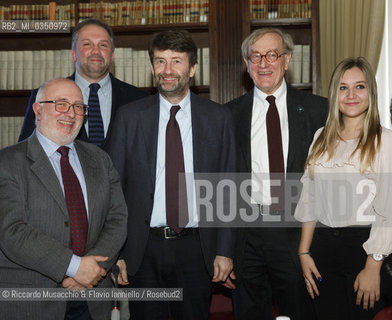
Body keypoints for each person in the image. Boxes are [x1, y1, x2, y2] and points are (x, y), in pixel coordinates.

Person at [106, 30, 236, 320]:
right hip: (142, 249)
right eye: (160, 61)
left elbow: (227, 188)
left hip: (197, 249)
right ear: (152, 67)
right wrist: (118, 252)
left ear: (192, 68)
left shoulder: (217, 118)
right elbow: (113, 190)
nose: (167, 70)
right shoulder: (129, 117)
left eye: (176, 61)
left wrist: (225, 251)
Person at [0, 78, 128, 319]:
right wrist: (74, 267)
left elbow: (117, 219)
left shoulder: (100, 160)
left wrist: (93, 270)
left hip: (93, 298)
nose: (71, 114)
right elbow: (12, 231)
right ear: (38, 110)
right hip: (33, 303)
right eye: (61, 104)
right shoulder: (7, 163)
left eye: (78, 106)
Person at [226, 28, 328, 320]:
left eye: (272, 55)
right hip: (247, 234)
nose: (263, 63)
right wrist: (224, 249)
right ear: (247, 64)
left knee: (300, 311)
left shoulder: (317, 110)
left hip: (298, 231)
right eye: (255, 56)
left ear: (287, 61)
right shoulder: (228, 115)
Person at [295, 57, 392, 319]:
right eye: (343, 87)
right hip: (322, 249)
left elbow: (388, 212)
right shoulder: (320, 137)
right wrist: (303, 252)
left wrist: (373, 266)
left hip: (364, 249)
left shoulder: (385, 141)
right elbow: (309, 199)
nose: (351, 95)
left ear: (370, 93)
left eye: (359, 87)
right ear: (334, 93)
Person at [18, 18, 149, 150]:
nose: (96, 51)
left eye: (103, 45)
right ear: (74, 54)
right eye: (87, 44)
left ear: (112, 55)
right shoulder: (44, 97)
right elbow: (27, 152)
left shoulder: (139, 99)